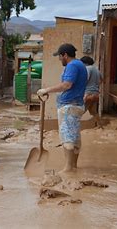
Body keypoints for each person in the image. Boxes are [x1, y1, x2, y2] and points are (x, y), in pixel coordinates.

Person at [37, 43, 87, 173]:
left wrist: (46, 89)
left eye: (59, 56)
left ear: (65, 55)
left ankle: (68, 168)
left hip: (69, 106)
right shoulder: (80, 65)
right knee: (75, 137)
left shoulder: (72, 66)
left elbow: (66, 85)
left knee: (67, 138)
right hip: (77, 105)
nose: (59, 59)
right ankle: (74, 166)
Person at [80, 56, 103, 129]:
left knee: (80, 110)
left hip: (88, 93)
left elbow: (85, 79)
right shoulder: (97, 69)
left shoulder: (87, 68)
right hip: (96, 93)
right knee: (93, 111)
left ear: (85, 63)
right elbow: (101, 80)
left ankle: (73, 127)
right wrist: (95, 86)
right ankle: (100, 125)